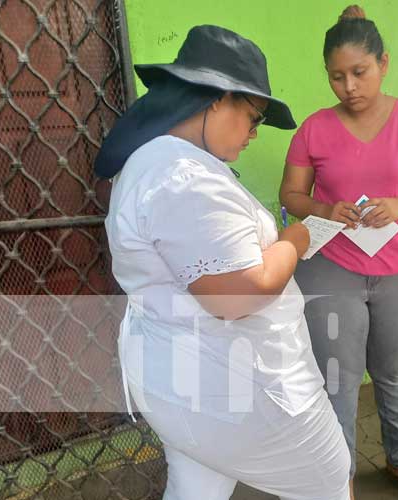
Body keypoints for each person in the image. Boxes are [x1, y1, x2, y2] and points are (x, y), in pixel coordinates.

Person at [96, 25, 350, 500]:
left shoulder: (161, 164)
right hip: (241, 387)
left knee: (197, 487)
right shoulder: (181, 176)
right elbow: (237, 295)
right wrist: (294, 238)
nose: (255, 133)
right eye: (253, 117)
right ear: (217, 99)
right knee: (330, 480)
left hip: (191, 382)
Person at [279, 5, 398, 499]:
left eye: (360, 72)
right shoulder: (314, 128)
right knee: (337, 380)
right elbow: (290, 196)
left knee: (395, 373)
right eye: (337, 77)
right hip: (331, 271)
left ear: (384, 63)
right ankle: (342, 476)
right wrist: (323, 207)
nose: (349, 86)